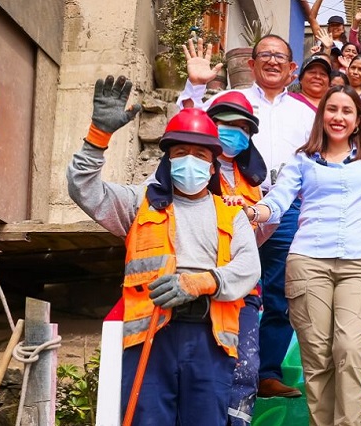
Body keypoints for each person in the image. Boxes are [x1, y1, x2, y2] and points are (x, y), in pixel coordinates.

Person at [68, 76, 260, 425]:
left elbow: (249, 267)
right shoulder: (139, 203)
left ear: (214, 164)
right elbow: (83, 188)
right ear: (168, 159)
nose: (190, 161)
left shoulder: (231, 213)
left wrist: (200, 283)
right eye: (180, 152)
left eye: (200, 154)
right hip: (150, 338)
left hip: (210, 340)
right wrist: (98, 135)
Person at [235, 85, 361, 425]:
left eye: (347, 111)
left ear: (358, 121)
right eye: (332, 109)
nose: (338, 117)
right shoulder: (302, 159)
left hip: (360, 263)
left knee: (351, 350)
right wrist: (253, 212)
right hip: (308, 262)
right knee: (317, 357)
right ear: (321, 115)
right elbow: (277, 202)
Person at [178, 36, 315, 399]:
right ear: (252, 64)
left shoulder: (306, 113)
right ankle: (223, 369)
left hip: (285, 210)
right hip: (227, 203)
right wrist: (195, 84)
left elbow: (319, 159)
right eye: (265, 55)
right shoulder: (228, 100)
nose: (272, 62)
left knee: (281, 293)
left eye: (280, 57)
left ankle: (266, 372)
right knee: (228, 284)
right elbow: (187, 122)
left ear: (292, 68)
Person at [202, 92, 270, 426]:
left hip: (244, 288)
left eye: (243, 128)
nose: (234, 132)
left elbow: (264, 231)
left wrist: (251, 223)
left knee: (246, 369)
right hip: (200, 284)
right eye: (226, 124)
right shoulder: (193, 167)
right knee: (207, 370)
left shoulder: (254, 181)